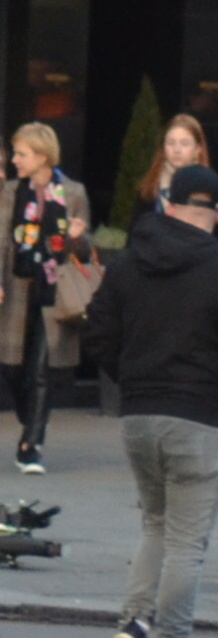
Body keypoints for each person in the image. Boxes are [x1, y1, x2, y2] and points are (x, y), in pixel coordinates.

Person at [83, 163, 218, 638]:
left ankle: (137, 623)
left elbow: (98, 334)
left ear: (168, 205)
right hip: (198, 417)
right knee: (188, 541)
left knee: (155, 524)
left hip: (138, 415)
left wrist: (133, 381)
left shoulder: (129, 262)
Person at [2, 123, 93, 475]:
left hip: (54, 290)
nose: (14, 160)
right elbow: (1, 241)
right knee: (11, 369)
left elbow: (85, 252)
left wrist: (76, 237)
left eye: (21, 154)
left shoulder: (73, 192)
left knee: (41, 369)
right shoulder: (11, 192)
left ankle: (31, 443)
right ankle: (32, 419)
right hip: (17, 287)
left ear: (41, 156)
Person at [133, 113, 211, 216]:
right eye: (171, 143)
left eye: (184, 143)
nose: (177, 150)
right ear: (163, 148)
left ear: (198, 149)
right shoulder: (147, 191)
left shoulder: (212, 191)